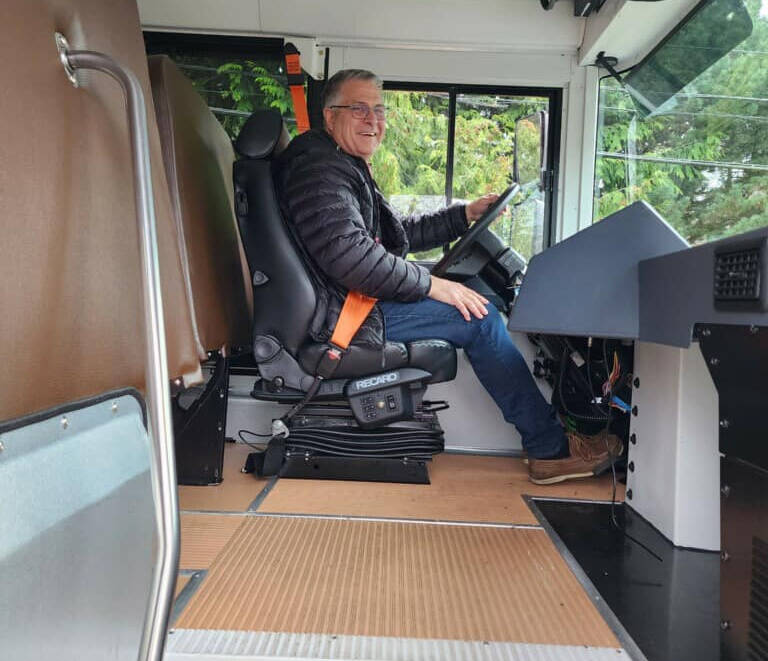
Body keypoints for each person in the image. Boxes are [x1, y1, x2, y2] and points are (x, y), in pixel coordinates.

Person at [274, 68, 622, 484]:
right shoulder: (319, 169)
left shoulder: (340, 165)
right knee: (480, 318)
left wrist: (463, 216)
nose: (373, 120)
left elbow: (392, 237)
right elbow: (351, 256)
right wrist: (434, 285)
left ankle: (551, 439)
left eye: (379, 110)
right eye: (359, 109)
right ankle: (551, 450)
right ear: (330, 117)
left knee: (476, 303)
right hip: (346, 318)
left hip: (352, 302)